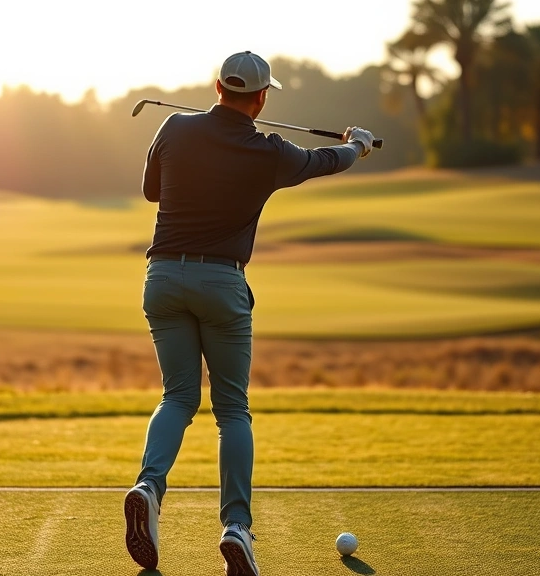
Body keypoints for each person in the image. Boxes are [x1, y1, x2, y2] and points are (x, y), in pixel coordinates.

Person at [124, 50, 375, 576]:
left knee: (178, 395)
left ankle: (149, 486)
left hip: (163, 277)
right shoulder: (271, 152)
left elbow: (152, 190)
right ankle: (236, 527)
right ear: (261, 98)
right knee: (231, 409)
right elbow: (330, 161)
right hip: (222, 282)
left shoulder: (173, 126)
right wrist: (355, 143)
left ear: (217, 86)